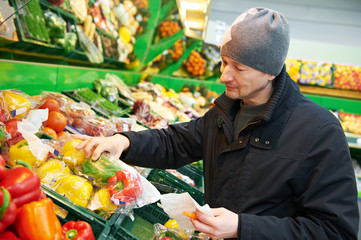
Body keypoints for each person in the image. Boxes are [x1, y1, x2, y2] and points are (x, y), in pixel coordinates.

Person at [76, 7, 359, 240]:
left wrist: (242, 227)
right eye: (224, 62)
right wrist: (123, 141)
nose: (224, 76)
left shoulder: (320, 133)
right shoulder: (227, 111)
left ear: (270, 72)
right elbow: (177, 142)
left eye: (239, 67)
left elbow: (335, 231)